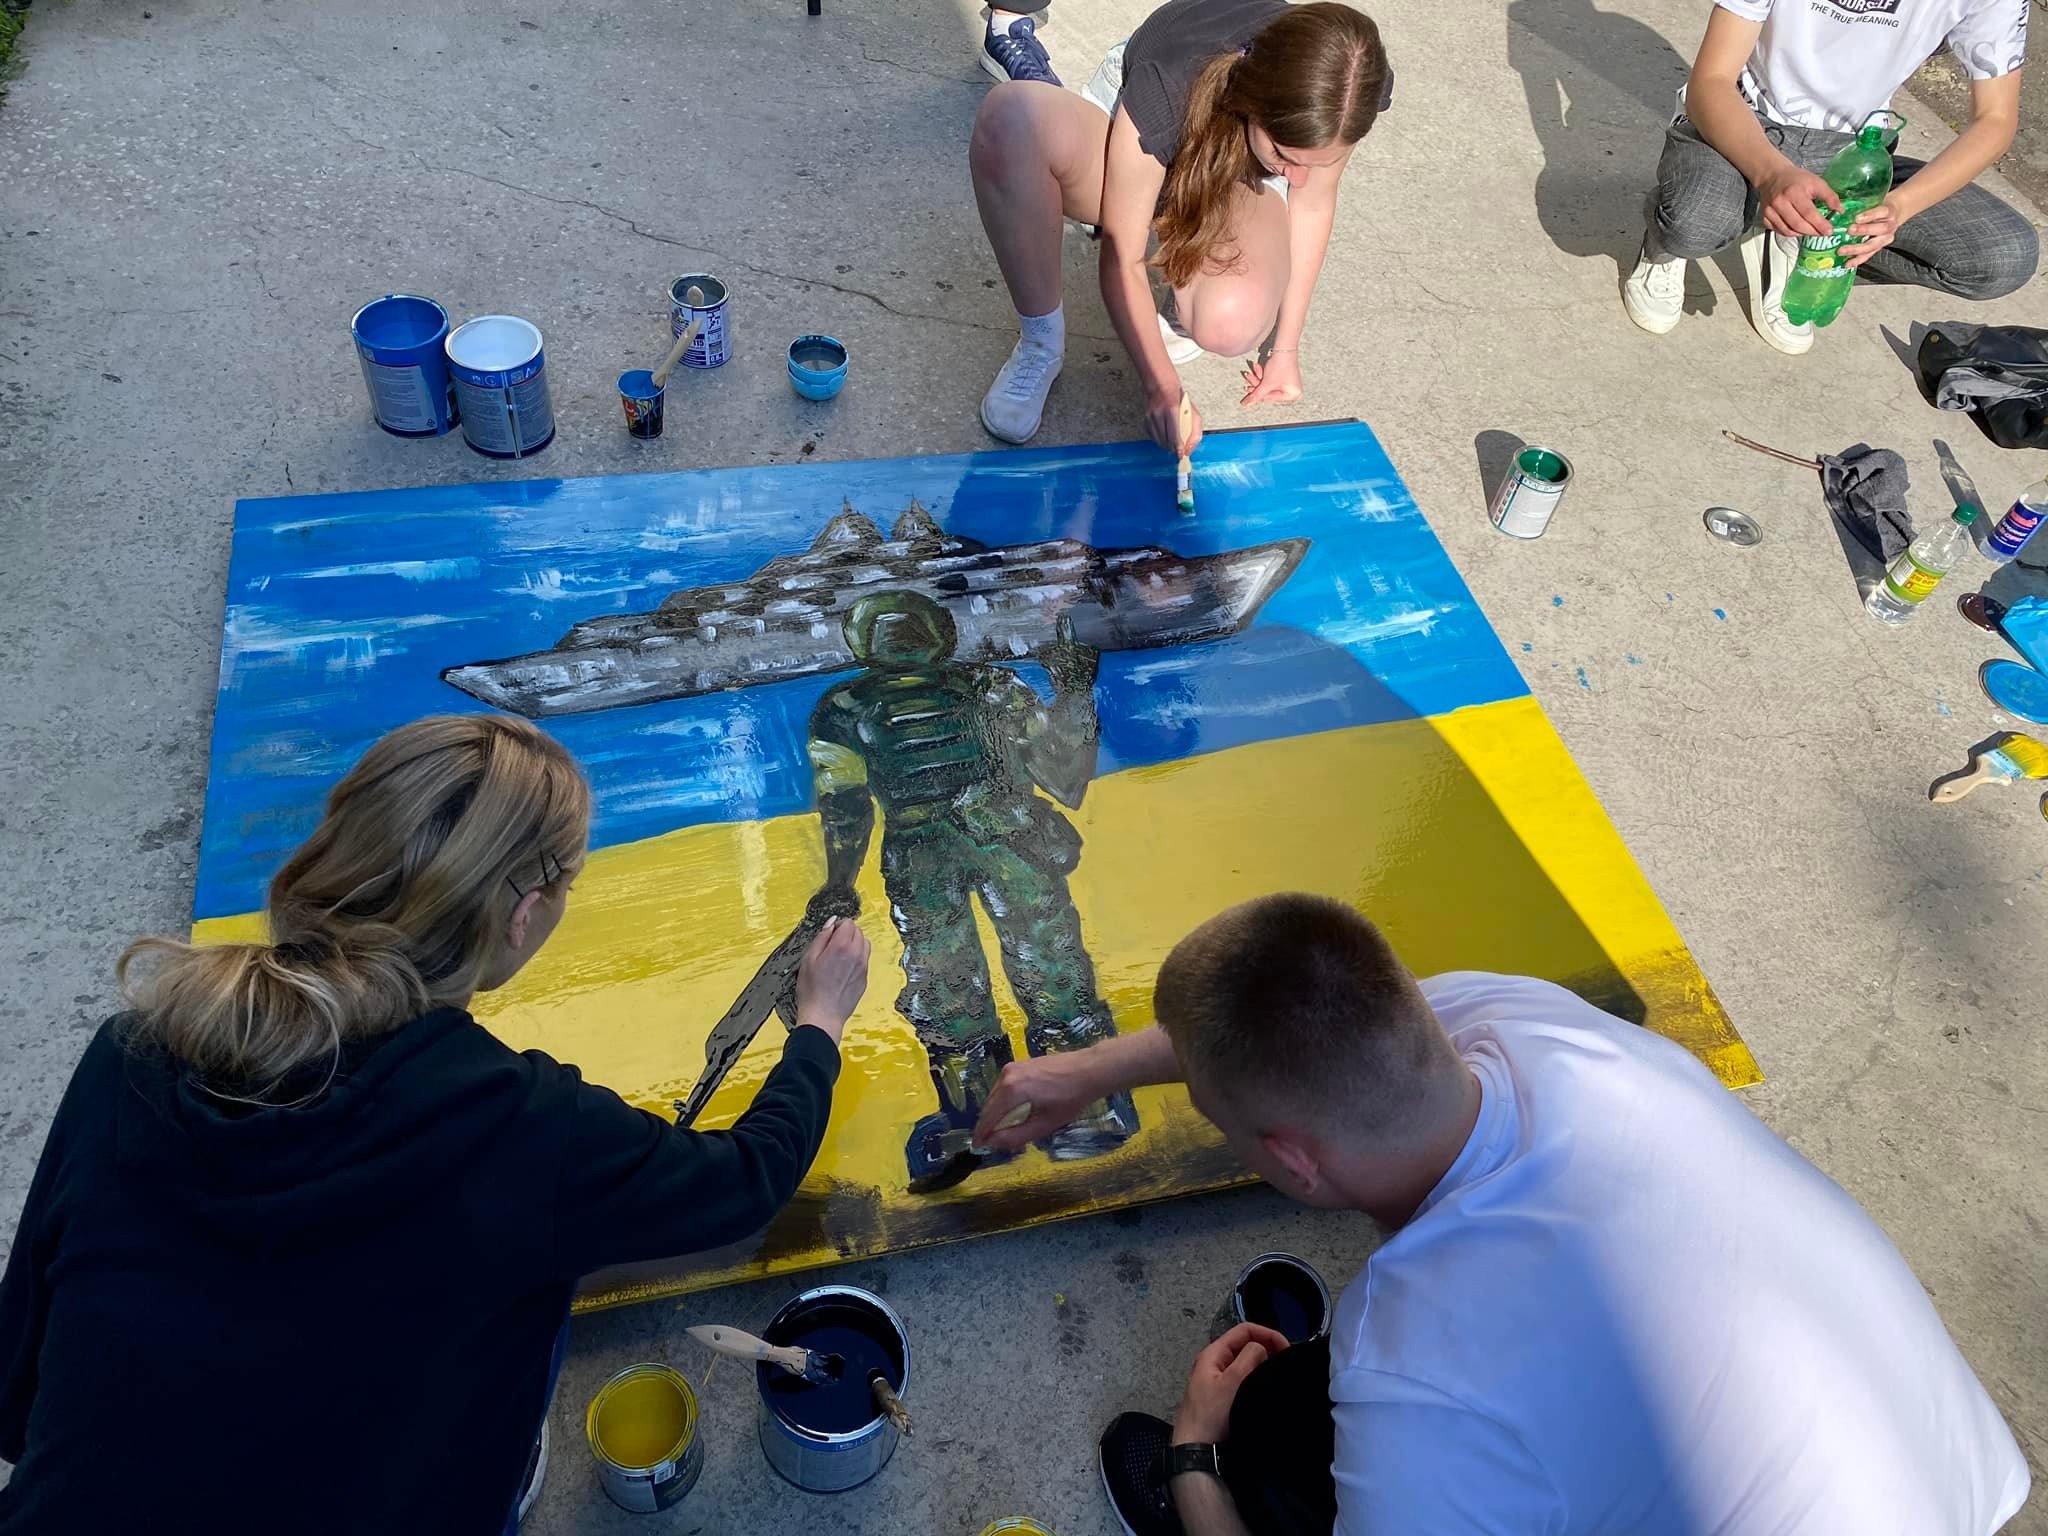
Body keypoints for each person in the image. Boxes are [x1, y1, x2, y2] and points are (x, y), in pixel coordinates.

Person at [0, 715, 873, 1536]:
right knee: (541, 1263)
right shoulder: (516, 1127)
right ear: (523, 916)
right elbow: (746, 1178)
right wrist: (820, 1024)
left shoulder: (132, 1052)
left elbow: (19, 1388)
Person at [973, 893, 2031, 1535]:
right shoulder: (1523, 1021)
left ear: (1292, 1162)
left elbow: (1426, 1377)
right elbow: (1270, 1025)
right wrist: (1084, 1071)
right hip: (1949, 1482)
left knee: (1269, 1441)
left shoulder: (1423, 1365)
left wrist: (1197, 1456)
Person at [806, 592, 1136, 1191]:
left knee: (959, 986)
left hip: (942, 854)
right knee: (1032, 970)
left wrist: (838, 883)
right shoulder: (990, 687)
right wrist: (1072, 691)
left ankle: (991, 1122)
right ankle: (1077, 1111)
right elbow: (1067, 777)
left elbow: (845, 806)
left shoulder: (844, 709)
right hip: (991, 844)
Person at [968, 0, 1391, 447]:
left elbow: (1312, 204)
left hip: (1232, 162)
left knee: (1229, 321)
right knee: (1012, 121)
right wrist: (1161, 388)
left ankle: (1189, 281)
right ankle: (1040, 342)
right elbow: (1122, 256)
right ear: (1252, 103)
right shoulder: (1165, 90)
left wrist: (1285, 348)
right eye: (1285, 157)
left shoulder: (1346, 86)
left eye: (1315, 162)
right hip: (1147, 115)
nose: (1299, 179)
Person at [1623, 0, 2036, 356]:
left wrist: (1898, 207)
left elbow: (1995, 119)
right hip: (1744, 123)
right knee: (1696, 224)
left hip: (1851, 151)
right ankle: (1675, 240)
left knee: (2002, 256)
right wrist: (1772, 173)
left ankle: (1802, 240)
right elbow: (1710, 83)